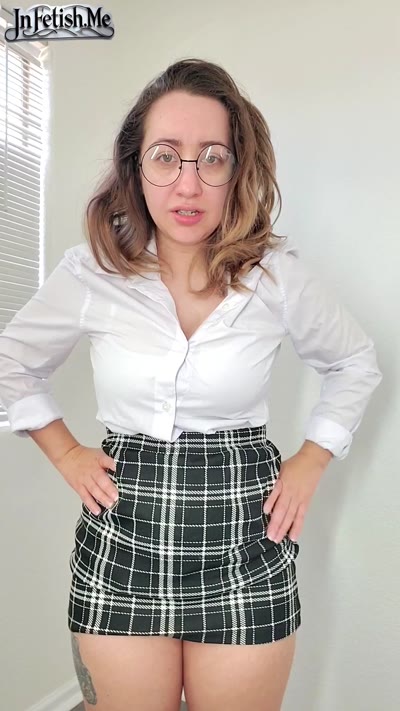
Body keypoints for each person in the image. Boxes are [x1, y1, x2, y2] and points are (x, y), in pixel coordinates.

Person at [0, 57, 383, 711]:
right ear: (136, 167)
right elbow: (12, 361)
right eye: (166, 156)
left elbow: (354, 362)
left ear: (238, 169)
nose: (188, 182)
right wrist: (65, 452)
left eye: (213, 158)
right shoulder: (91, 272)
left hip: (245, 538)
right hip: (123, 532)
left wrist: (312, 458)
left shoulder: (277, 276)